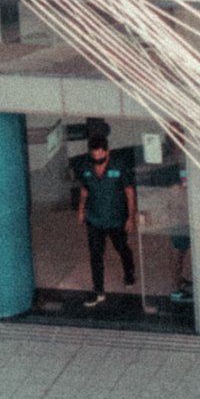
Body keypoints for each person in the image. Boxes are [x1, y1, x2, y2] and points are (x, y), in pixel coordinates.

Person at [75, 123, 136, 307]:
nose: (97, 162)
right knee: (96, 255)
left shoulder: (120, 166)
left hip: (116, 219)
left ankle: (129, 273)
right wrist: (81, 210)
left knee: (121, 248)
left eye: (100, 158)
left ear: (107, 152)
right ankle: (98, 291)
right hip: (94, 219)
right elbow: (84, 190)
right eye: (94, 158)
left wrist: (131, 217)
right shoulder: (86, 166)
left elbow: (129, 192)